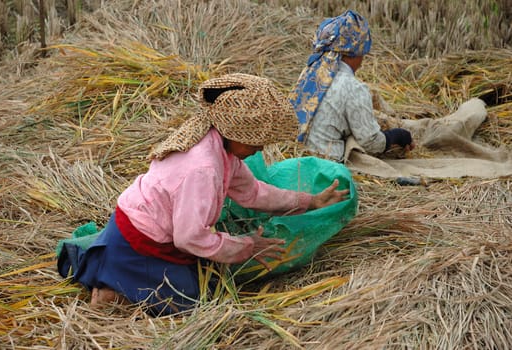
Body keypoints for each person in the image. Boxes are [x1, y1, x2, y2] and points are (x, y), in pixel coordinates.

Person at [58, 73, 350, 316]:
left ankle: (111, 271)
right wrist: (247, 246)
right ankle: (113, 292)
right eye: (256, 142)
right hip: (140, 240)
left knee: (205, 278)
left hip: (151, 230)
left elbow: (252, 193)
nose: (260, 150)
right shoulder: (203, 168)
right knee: (198, 302)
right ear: (236, 132)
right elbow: (190, 238)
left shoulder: (221, 148)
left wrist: (308, 201)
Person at [290, 10, 415, 163]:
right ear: (355, 52)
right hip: (325, 165)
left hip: (293, 157)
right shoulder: (353, 87)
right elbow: (371, 142)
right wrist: (398, 136)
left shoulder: (308, 74)